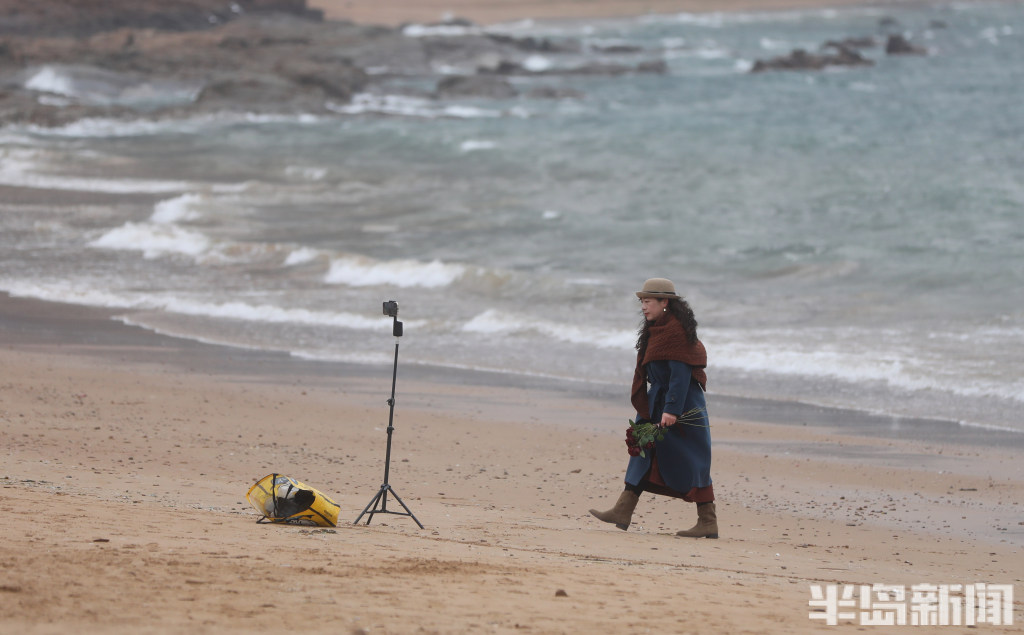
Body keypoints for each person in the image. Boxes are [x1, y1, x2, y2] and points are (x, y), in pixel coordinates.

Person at [589, 278, 718, 538]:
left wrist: (671, 410)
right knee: (643, 452)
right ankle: (623, 510)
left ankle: (708, 520)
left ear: (664, 303)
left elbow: (680, 377)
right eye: (642, 302)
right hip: (657, 401)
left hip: (681, 406)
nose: (644, 307)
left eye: (648, 301)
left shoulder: (676, 333)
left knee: (691, 461)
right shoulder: (655, 329)